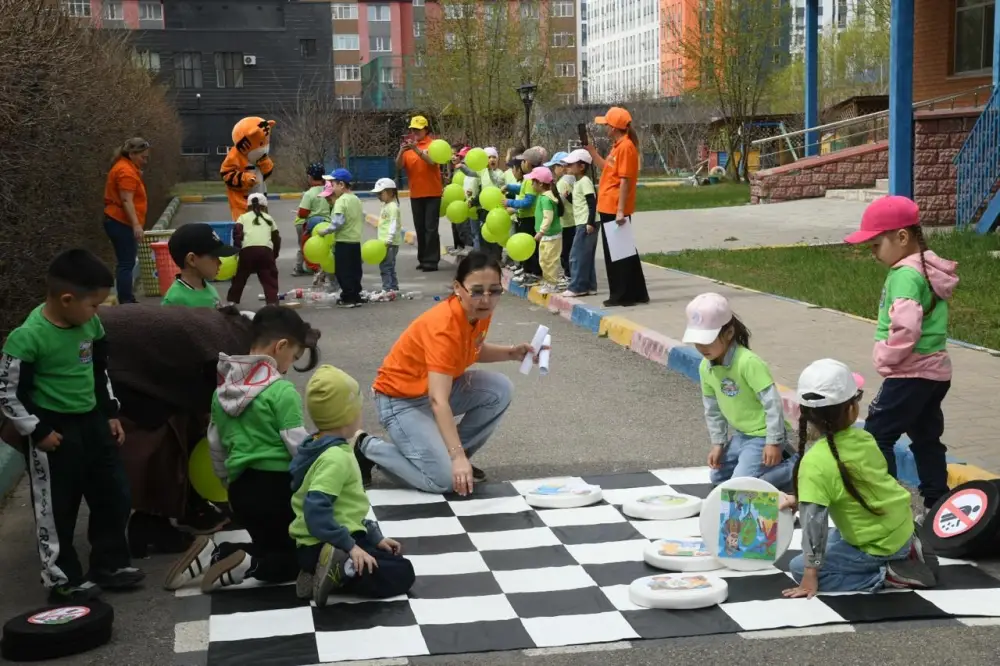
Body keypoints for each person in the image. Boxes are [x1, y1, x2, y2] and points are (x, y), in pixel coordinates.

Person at [0, 249, 145, 603]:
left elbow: (98, 369)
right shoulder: (28, 337)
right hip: (54, 430)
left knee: (114, 495)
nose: (98, 313)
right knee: (57, 509)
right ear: (67, 300)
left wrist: (110, 412)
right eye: (94, 305)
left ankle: (109, 563)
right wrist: (38, 430)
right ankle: (62, 578)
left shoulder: (89, 325)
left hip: (93, 421)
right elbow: (8, 392)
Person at [356, 251, 545, 496]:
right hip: (400, 401)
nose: (486, 299)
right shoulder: (444, 326)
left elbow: (472, 349)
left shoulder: (476, 312)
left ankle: (449, 460)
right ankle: (367, 447)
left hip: (431, 390)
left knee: (500, 389)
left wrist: (512, 353)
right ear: (458, 287)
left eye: (494, 291)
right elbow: (438, 400)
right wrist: (455, 457)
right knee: (443, 482)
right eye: (477, 291)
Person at [163, 306, 313, 593]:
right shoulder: (281, 392)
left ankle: (215, 554)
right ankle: (246, 565)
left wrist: (226, 483)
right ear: (280, 346)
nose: (288, 367)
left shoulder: (223, 393)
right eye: (292, 357)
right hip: (277, 488)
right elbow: (296, 443)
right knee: (301, 558)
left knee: (267, 544)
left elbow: (215, 444)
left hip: (240, 489)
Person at [843, 196, 958, 523]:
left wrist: (887, 357)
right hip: (934, 372)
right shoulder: (926, 266)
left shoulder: (904, 275)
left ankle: (886, 504)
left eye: (877, 244)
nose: (873, 252)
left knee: (877, 435)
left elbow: (906, 327)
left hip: (909, 373)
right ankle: (937, 503)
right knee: (926, 438)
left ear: (902, 237)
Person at [781, 358, 937, 598]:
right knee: (834, 539)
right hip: (901, 527)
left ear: (805, 413)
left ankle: (889, 574)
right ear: (852, 407)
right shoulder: (865, 438)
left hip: (877, 546)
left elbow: (814, 526)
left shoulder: (815, 462)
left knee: (797, 566)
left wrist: (810, 575)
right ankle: (907, 549)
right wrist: (800, 499)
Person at [290, 365, 416, 605]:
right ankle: (340, 571)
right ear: (347, 416)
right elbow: (316, 510)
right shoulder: (336, 457)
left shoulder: (314, 445)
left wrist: (374, 537)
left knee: (387, 555)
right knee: (401, 572)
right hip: (326, 544)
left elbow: (344, 508)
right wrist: (350, 546)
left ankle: (316, 570)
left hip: (315, 544)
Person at [683, 292, 796, 491]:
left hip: (762, 435)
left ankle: (796, 467)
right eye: (697, 340)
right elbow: (712, 408)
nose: (701, 347)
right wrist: (718, 443)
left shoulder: (748, 362)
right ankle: (770, 464)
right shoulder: (705, 367)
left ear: (728, 333)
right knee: (718, 476)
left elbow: (772, 404)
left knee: (740, 487)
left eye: (707, 340)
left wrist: (773, 441)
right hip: (742, 436)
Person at [586, 107, 649, 308]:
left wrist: (621, 210)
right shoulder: (618, 146)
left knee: (618, 253)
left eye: (606, 125)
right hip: (609, 204)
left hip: (614, 206)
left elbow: (625, 181)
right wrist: (592, 152)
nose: (605, 128)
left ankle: (622, 295)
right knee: (624, 250)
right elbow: (608, 169)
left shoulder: (626, 147)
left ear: (614, 128)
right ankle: (637, 292)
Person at [103, 137, 150, 304]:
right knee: (126, 263)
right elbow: (126, 200)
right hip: (121, 221)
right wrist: (136, 225)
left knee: (126, 262)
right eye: (142, 157)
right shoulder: (126, 172)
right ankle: (126, 301)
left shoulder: (126, 168)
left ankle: (127, 298)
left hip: (116, 220)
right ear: (132, 154)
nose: (145, 161)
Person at [396, 115, 444, 272]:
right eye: (413, 129)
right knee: (420, 228)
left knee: (431, 227)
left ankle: (432, 261)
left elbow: (433, 161)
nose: (415, 132)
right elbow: (398, 166)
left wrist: (417, 150)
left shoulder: (433, 144)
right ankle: (423, 258)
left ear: (426, 129)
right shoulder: (409, 148)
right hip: (416, 193)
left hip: (432, 192)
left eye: (418, 129)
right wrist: (401, 151)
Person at [318, 169, 366, 308]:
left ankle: (348, 297)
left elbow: (338, 222)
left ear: (341, 185)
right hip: (355, 241)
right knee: (355, 270)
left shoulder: (341, 201)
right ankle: (356, 295)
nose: (332, 188)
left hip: (343, 241)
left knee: (343, 271)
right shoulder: (356, 199)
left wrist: (325, 231)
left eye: (332, 185)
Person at [162, 223, 238, 308]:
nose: (220, 262)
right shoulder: (175, 300)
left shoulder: (208, 288)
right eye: (213, 257)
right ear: (192, 260)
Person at [505, 146, 548, 285]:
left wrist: (510, 202)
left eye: (522, 161)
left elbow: (528, 202)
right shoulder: (529, 179)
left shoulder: (531, 179)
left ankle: (534, 273)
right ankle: (528, 271)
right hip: (525, 217)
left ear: (527, 163)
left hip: (530, 218)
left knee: (530, 247)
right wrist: (510, 187)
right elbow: (522, 189)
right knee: (527, 247)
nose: (520, 164)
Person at [228, 193, 282, 306]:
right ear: (265, 206)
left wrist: (238, 251)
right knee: (269, 277)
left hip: (247, 251)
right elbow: (276, 238)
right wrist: (274, 254)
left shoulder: (242, 217)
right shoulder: (269, 218)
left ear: (247, 206)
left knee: (240, 277)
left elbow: (237, 234)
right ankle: (272, 303)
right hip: (265, 251)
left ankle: (231, 302)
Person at [562, 149, 599, 297]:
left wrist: (590, 222)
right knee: (586, 256)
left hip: (586, 223)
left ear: (582, 166)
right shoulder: (578, 183)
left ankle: (577, 287)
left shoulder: (585, 182)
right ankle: (590, 285)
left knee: (576, 255)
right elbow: (580, 202)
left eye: (571, 164)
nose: (568, 167)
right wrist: (569, 197)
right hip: (583, 221)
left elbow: (592, 203)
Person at [528, 167, 565, 295]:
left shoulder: (546, 198)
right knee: (544, 260)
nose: (532, 184)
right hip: (548, 235)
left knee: (550, 260)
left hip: (551, 235)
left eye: (533, 181)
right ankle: (549, 281)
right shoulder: (545, 196)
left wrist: (541, 232)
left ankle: (553, 283)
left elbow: (547, 217)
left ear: (540, 183)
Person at [293, 162, 330, 277]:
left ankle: (301, 268)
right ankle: (323, 267)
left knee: (304, 245)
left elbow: (303, 213)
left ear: (310, 177)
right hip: (326, 224)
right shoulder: (329, 191)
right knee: (323, 246)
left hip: (311, 223)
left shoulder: (309, 194)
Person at [371, 177, 403, 298]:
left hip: (389, 242)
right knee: (389, 266)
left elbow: (393, 222)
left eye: (381, 193)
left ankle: (387, 288)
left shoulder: (393, 207)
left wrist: (389, 238)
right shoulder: (386, 205)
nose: (378, 196)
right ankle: (393, 287)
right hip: (385, 242)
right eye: (377, 194)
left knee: (385, 266)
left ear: (390, 192)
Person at [547, 152, 576, 280]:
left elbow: (558, 202)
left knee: (565, 251)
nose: (554, 170)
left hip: (565, 221)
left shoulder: (562, 183)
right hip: (575, 220)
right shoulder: (575, 180)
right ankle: (571, 273)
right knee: (572, 249)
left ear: (562, 167)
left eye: (555, 166)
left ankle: (568, 274)